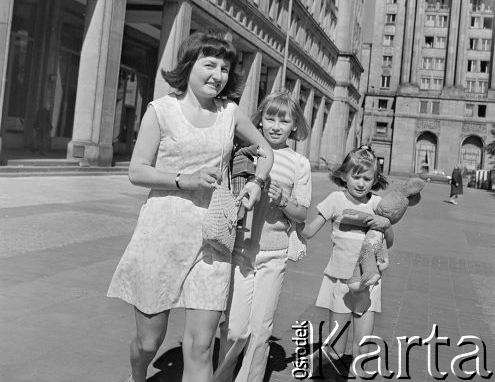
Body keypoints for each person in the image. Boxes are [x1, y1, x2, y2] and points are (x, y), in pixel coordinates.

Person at [107, 32, 274, 382]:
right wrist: (187, 179)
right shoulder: (162, 111)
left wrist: (257, 183)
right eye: (209, 64)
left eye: (225, 68)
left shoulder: (230, 113)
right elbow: (137, 171)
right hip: (162, 233)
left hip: (213, 238)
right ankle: (137, 374)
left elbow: (265, 149)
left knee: (200, 347)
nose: (218, 74)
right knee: (149, 342)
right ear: (189, 66)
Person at [215, 91, 312, 382]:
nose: (275, 126)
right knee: (233, 330)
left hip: (274, 254)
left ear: (295, 125)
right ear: (259, 119)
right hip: (240, 252)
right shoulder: (244, 151)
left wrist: (283, 199)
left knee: (260, 331)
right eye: (269, 118)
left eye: (284, 120)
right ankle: (222, 377)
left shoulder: (299, 163)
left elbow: (302, 213)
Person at [301, 145, 392, 378]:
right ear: (344, 175)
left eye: (367, 178)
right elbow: (309, 231)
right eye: (356, 176)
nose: (361, 183)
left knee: (361, 348)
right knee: (335, 350)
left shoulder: (378, 204)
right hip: (340, 283)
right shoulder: (335, 199)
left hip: (368, 283)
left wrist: (387, 225)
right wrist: (288, 211)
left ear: (375, 180)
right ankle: (316, 359)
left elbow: (388, 242)